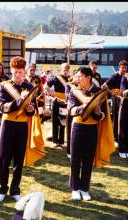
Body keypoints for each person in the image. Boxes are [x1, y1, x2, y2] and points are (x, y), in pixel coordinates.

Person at [68, 67, 114, 201]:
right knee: (75, 159)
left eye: (79, 77)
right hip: (78, 127)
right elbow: (71, 109)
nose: (77, 79)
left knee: (88, 160)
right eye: (76, 77)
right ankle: (75, 188)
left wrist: (99, 113)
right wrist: (82, 108)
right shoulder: (74, 91)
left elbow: (104, 115)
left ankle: (84, 188)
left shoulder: (98, 92)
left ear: (88, 78)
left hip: (92, 129)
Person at [0, 56, 36, 202]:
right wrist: (19, 101)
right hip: (8, 125)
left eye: (20, 72)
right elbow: (2, 107)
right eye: (15, 72)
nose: (18, 75)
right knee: (3, 158)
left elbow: (34, 110)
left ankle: (15, 189)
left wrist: (31, 109)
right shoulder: (4, 85)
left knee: (19, 159)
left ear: (24, 72)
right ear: (11, 71)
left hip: (22, 126)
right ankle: (2, 188)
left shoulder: (30, 87)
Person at [102, 60, 128, 157]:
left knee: (123, 122)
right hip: (117, 100)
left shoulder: (126, 76)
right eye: (122, 67)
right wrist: (111, 92)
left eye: (125, 67)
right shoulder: (115, 76)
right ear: (119, 67)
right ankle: (116, 140)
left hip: (125, 101)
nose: (124, 69)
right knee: (117, 121)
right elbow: (104, 86)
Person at [45, 63, 70, 147]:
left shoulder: (69, 79)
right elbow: (46, 85)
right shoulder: (56, 78)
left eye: (67, 70)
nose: (65, 72)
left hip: (65, 102)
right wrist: (51, 93)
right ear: (61, 70)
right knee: (55, 121)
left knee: (63, 121)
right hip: (56, 101)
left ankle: (62, 141)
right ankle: (55, 141)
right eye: (64, 70)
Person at [118, 75, 128, 158]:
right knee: (123, 128)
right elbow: (123, 92)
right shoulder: (125, 77)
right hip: (125, 105)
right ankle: (122, 149)